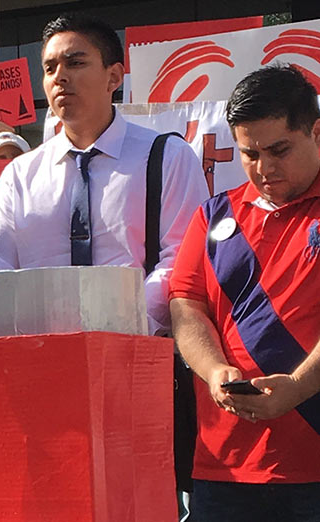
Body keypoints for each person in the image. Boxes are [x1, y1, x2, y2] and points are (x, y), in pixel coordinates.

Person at [0, 13, 206, 335]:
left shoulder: (167, 156)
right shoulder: (19, 175)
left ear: (113, 77)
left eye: (75, 63)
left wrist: (118, 326)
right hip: (41, 357)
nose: (59, 77)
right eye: (49, 68)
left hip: (138, 350)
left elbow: (182, 259)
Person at [169, 64, 320, 521]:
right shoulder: (214, 214)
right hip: (223, 466)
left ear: (316, 131)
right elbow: (185, 302)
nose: (265, 168)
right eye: (249, 154)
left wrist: (297, 388)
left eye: (279, 150)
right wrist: (213, 369)